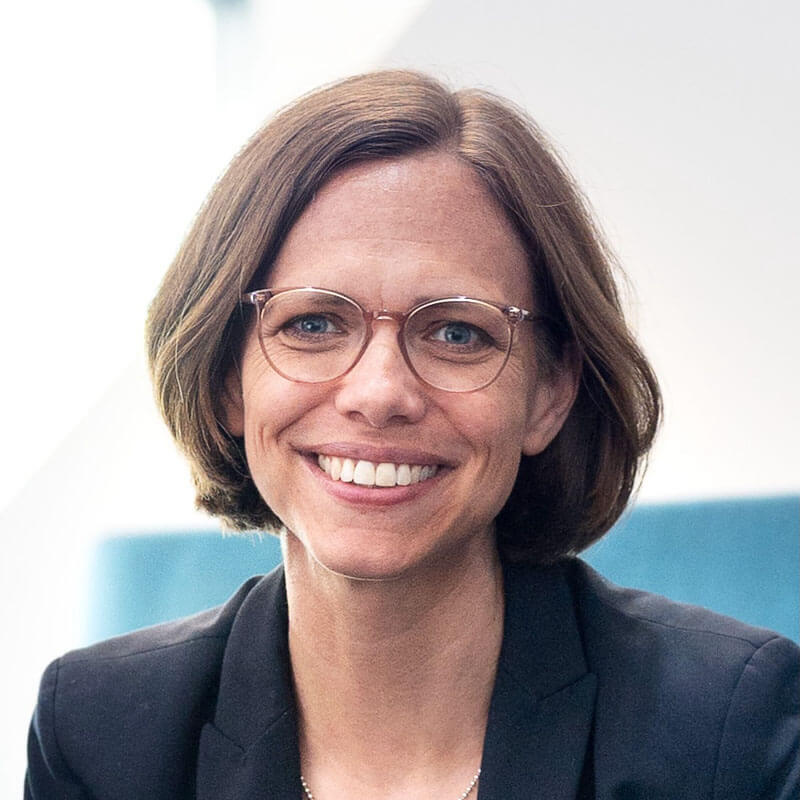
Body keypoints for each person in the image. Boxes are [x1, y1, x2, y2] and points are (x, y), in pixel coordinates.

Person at [26, 70, 798, 799]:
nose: (380, 393)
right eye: (315, 322)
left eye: (458, 333)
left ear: (549, 394)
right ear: (228, 377)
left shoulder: (727, 728)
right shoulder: (99, 732)